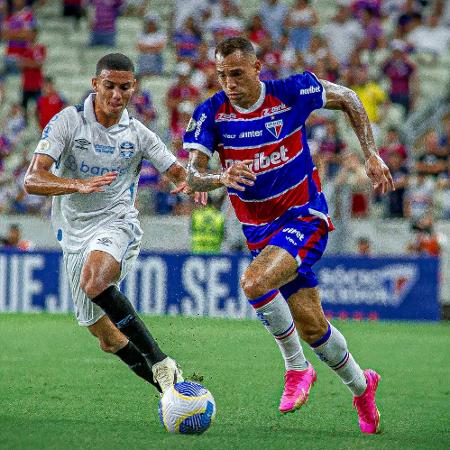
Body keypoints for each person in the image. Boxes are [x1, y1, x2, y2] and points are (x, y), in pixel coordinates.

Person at [182, 36, 394, 434]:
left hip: (304, 216)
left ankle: (297, 369)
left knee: (254, 281)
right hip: (260, 233)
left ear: (258, 69)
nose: (229, 82)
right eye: (223, 75)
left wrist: (370, 153)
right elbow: (192, 174)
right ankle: (363, 388)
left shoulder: (290, 92)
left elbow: (348, 97)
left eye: (238, 74)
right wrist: (219, 176)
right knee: (313, 326)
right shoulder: (211, 114)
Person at [23, 53, 206, 395]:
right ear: (95, 84)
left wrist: (210, 180)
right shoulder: (68, 122)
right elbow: (33, 179)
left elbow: (181, 174)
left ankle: (161, 362)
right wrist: (76, 184)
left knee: (95, 281)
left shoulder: (138, 134)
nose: (116, 95)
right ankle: (171, 392)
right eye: (109, 86)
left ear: (133, 88)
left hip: (115, 221)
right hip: (74, 233)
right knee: (106, 338)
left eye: (124, 87)